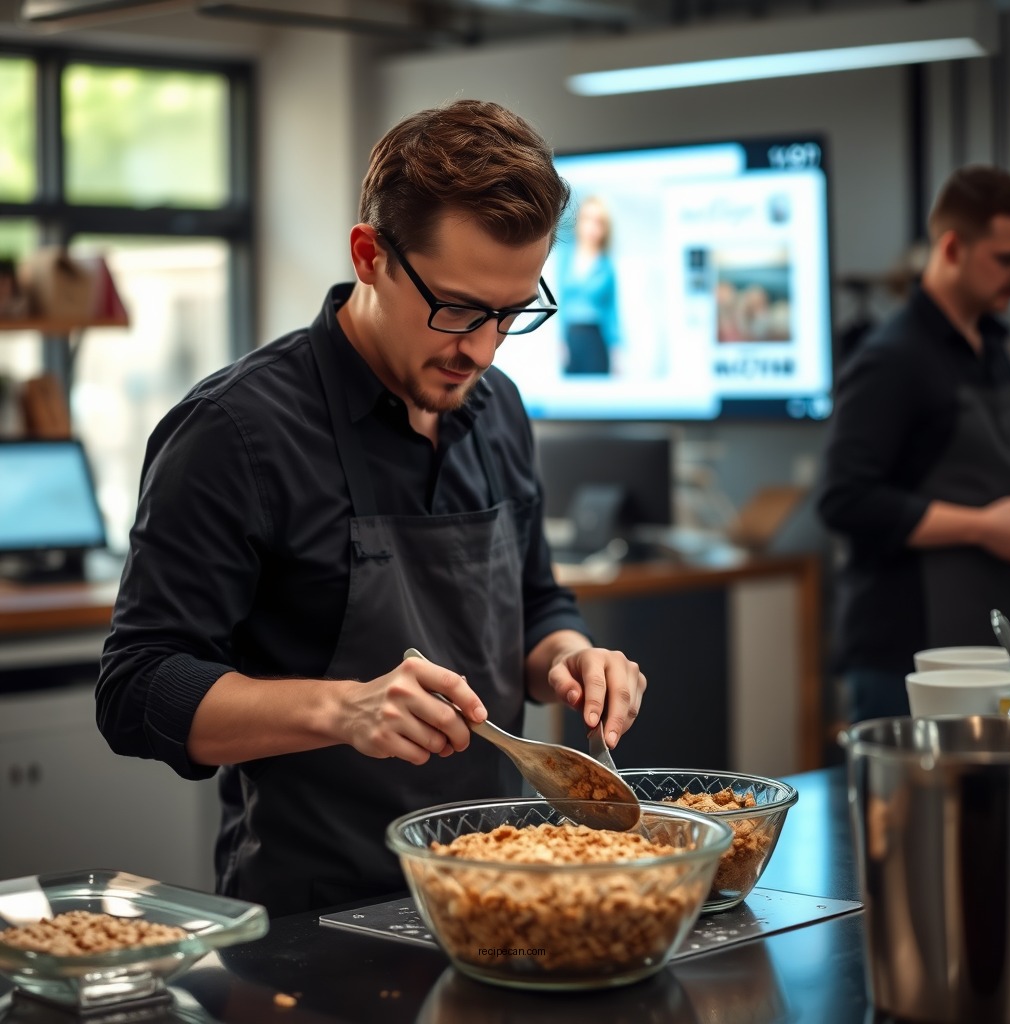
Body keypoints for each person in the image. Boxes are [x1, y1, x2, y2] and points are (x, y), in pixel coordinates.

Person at [95, 99, 647, 917]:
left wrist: (569, 655)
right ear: (370, 256)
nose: (481, 350)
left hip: (494, 894)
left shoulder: (498, 409)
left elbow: (536, 602)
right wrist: (343, 708)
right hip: (312, 924)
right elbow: (136, 689)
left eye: (511, 315)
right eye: (457, 309)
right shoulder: (234, 432)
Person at [817, 165, 1010, 724]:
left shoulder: (995, 348)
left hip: (982, 643)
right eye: (1008, 259)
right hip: (906, 655)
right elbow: (844, 499)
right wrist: (983, 527)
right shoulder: (893, 358)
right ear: (952, 248)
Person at [558, 194, 620, 374]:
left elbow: (612, 311)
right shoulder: (565, 259)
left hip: (596, 339)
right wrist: (560, 340)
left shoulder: (607, 266)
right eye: (588, 219)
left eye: (598, 222)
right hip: (571, 337)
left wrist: (617, 350)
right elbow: (558, 302)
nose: (592, 227)